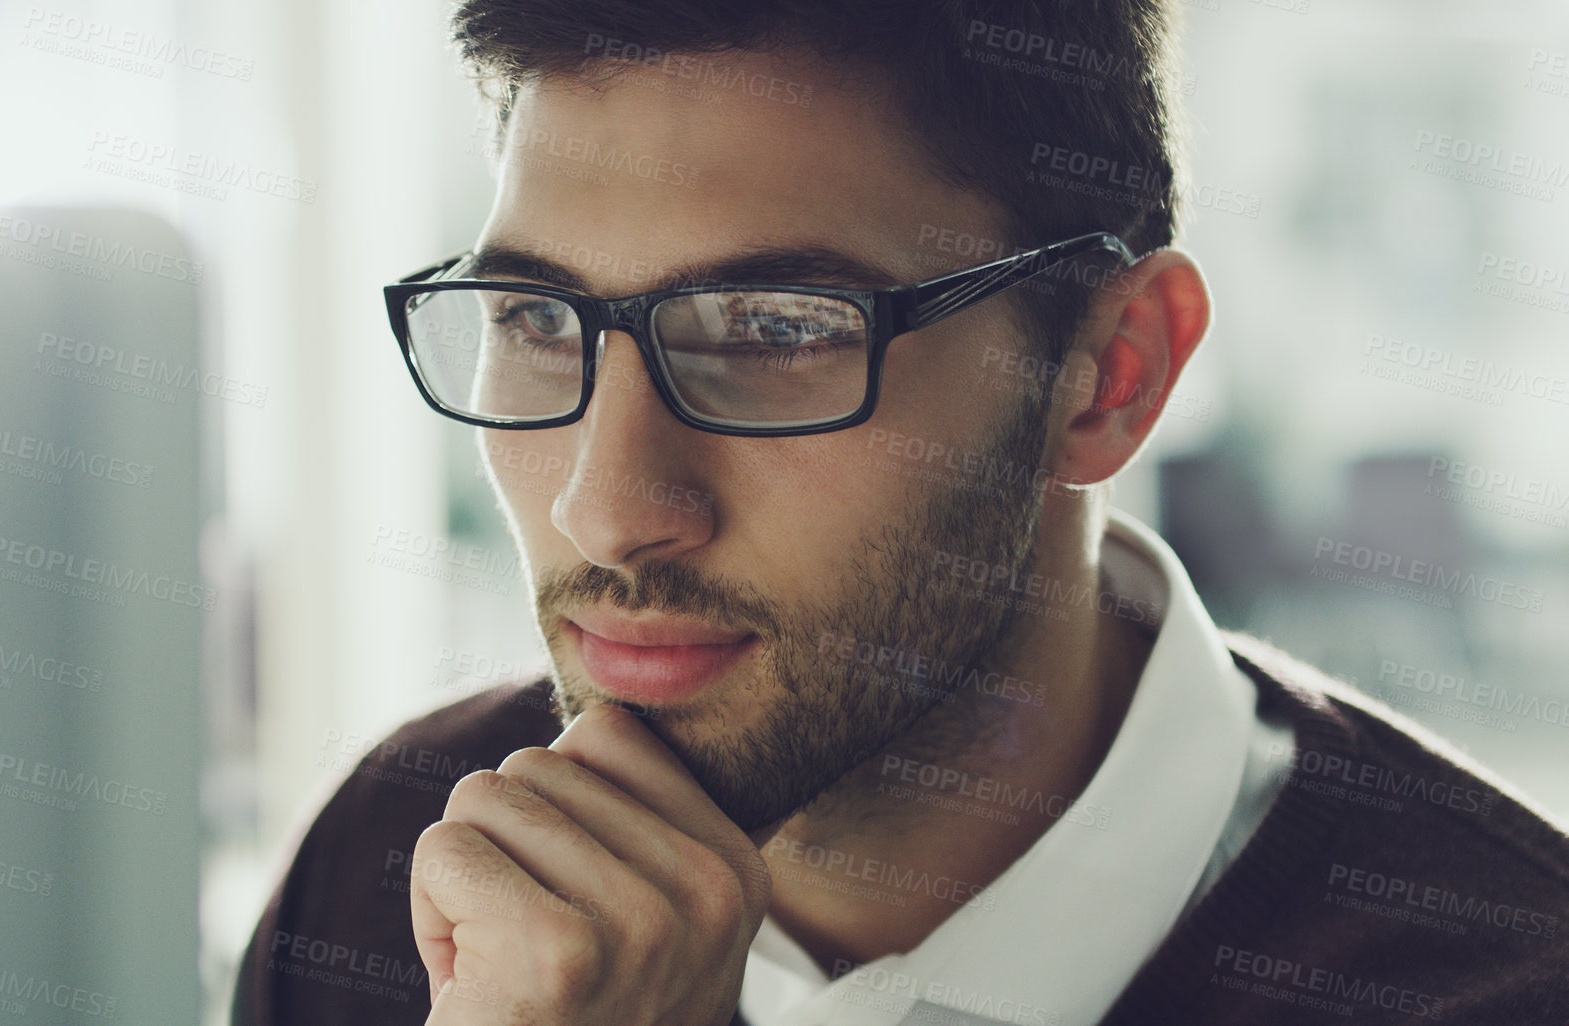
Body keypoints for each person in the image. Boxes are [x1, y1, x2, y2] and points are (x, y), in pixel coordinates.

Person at [233, 2, 1569, 1023]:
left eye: (774, 327)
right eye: (536, 317)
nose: (608, 506)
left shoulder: (1504, 975)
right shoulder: (385, 868)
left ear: (1112, 373)